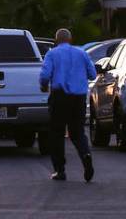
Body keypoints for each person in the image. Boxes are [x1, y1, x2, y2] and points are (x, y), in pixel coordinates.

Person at [39, 28, 96, 182]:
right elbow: (93, 74)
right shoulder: (82, 53)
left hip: (60, 97)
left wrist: (44, 85)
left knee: (56, 134)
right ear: (70, 39)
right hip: (78, 98)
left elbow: (45, 75)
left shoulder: (52, 54)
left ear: (56, 40)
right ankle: (86, 155)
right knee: (77, 132)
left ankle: (60, 170)